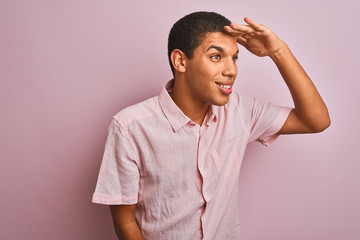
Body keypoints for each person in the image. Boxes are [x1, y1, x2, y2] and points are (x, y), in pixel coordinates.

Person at [92, 11, 330, 240]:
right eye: (216, 56)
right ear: (180, 61)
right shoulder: (130, 126)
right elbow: (124, 220)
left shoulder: (241, 112)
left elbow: (316, 121)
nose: (232, 70)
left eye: (235, 58)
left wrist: (279, 51)